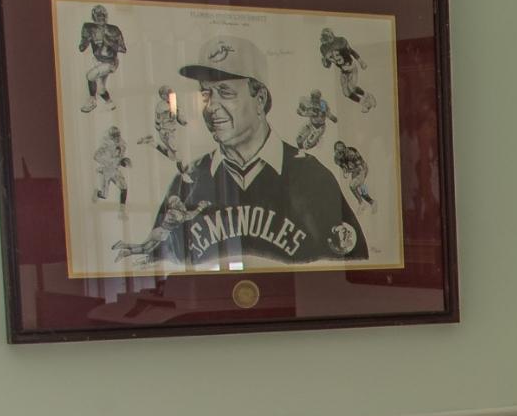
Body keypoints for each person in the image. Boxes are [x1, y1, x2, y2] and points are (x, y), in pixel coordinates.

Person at [125, 35, 367, 267]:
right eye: (206, 95)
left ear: (259, 98)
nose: (211, 107)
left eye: (226, 93)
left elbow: (350, 274)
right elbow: (161, 271)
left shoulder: (312, 177)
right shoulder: (189, 181)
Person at [76, 4, 126, 114]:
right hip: (97, 60)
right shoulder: (89, 28)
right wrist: (85, 41)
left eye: (102, 16)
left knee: (90, 75)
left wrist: (110, 42)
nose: (100, 18)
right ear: (93, 17)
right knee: (100, 89)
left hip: (110, 62)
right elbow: (82, 47)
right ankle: (110, 103)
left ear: (106, 16)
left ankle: (92, 100)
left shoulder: (113, 29)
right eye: (98, 16)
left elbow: (123, 49)